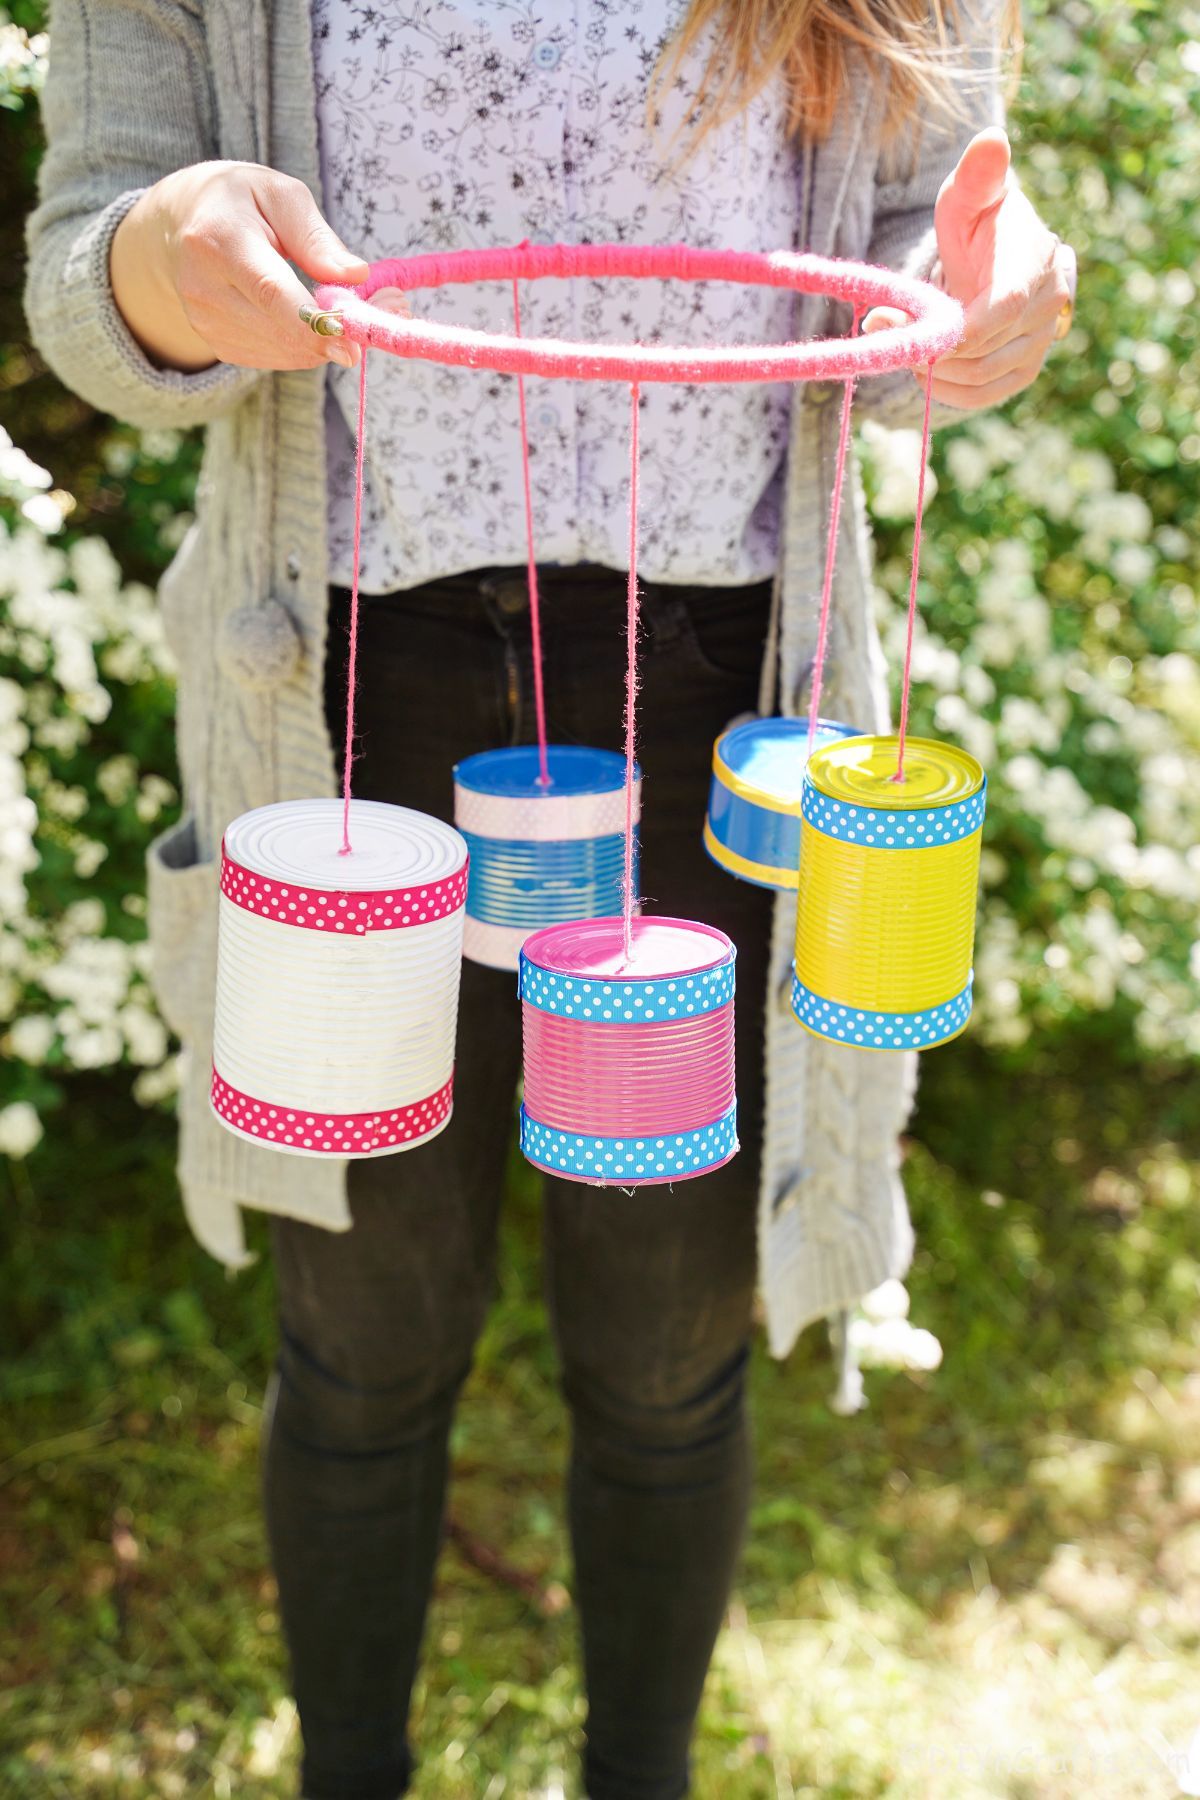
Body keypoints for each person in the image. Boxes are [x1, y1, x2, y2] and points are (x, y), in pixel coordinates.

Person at [26, 3, 1074, 1796]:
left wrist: (972, 299)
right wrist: (159, 261)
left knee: (670, 1352)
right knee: (364, 1336)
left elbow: (912, 255)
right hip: (347, 704)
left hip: (725, 712)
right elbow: (81, 275)